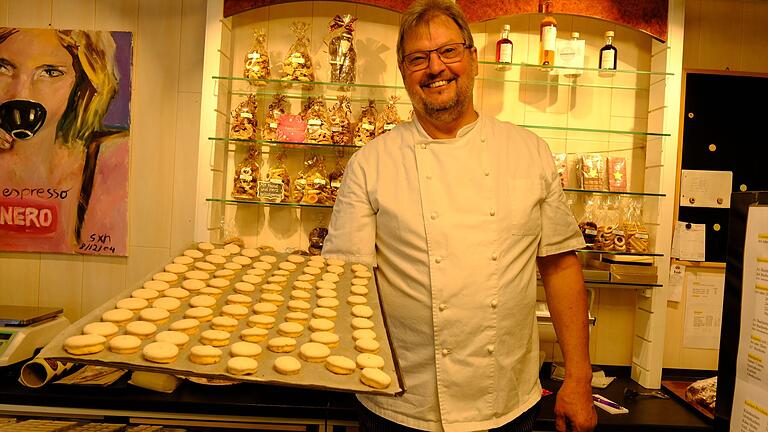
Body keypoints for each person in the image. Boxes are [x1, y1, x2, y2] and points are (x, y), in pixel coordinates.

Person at [322, 1, 597, 431]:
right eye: (418, 58)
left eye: (449, 51)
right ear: (403, 70)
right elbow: (346, 279)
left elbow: (560, 266)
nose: (436, 68)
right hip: (398, 402)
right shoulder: (370, 163)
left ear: (472, 57)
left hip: (506, 401)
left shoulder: (529, 153)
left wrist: (579, 378)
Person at [0, 28, 129, 255]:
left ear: (82, 82)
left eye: (50, 72)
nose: (20, 92)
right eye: (2, 68)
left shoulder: (112, 160)